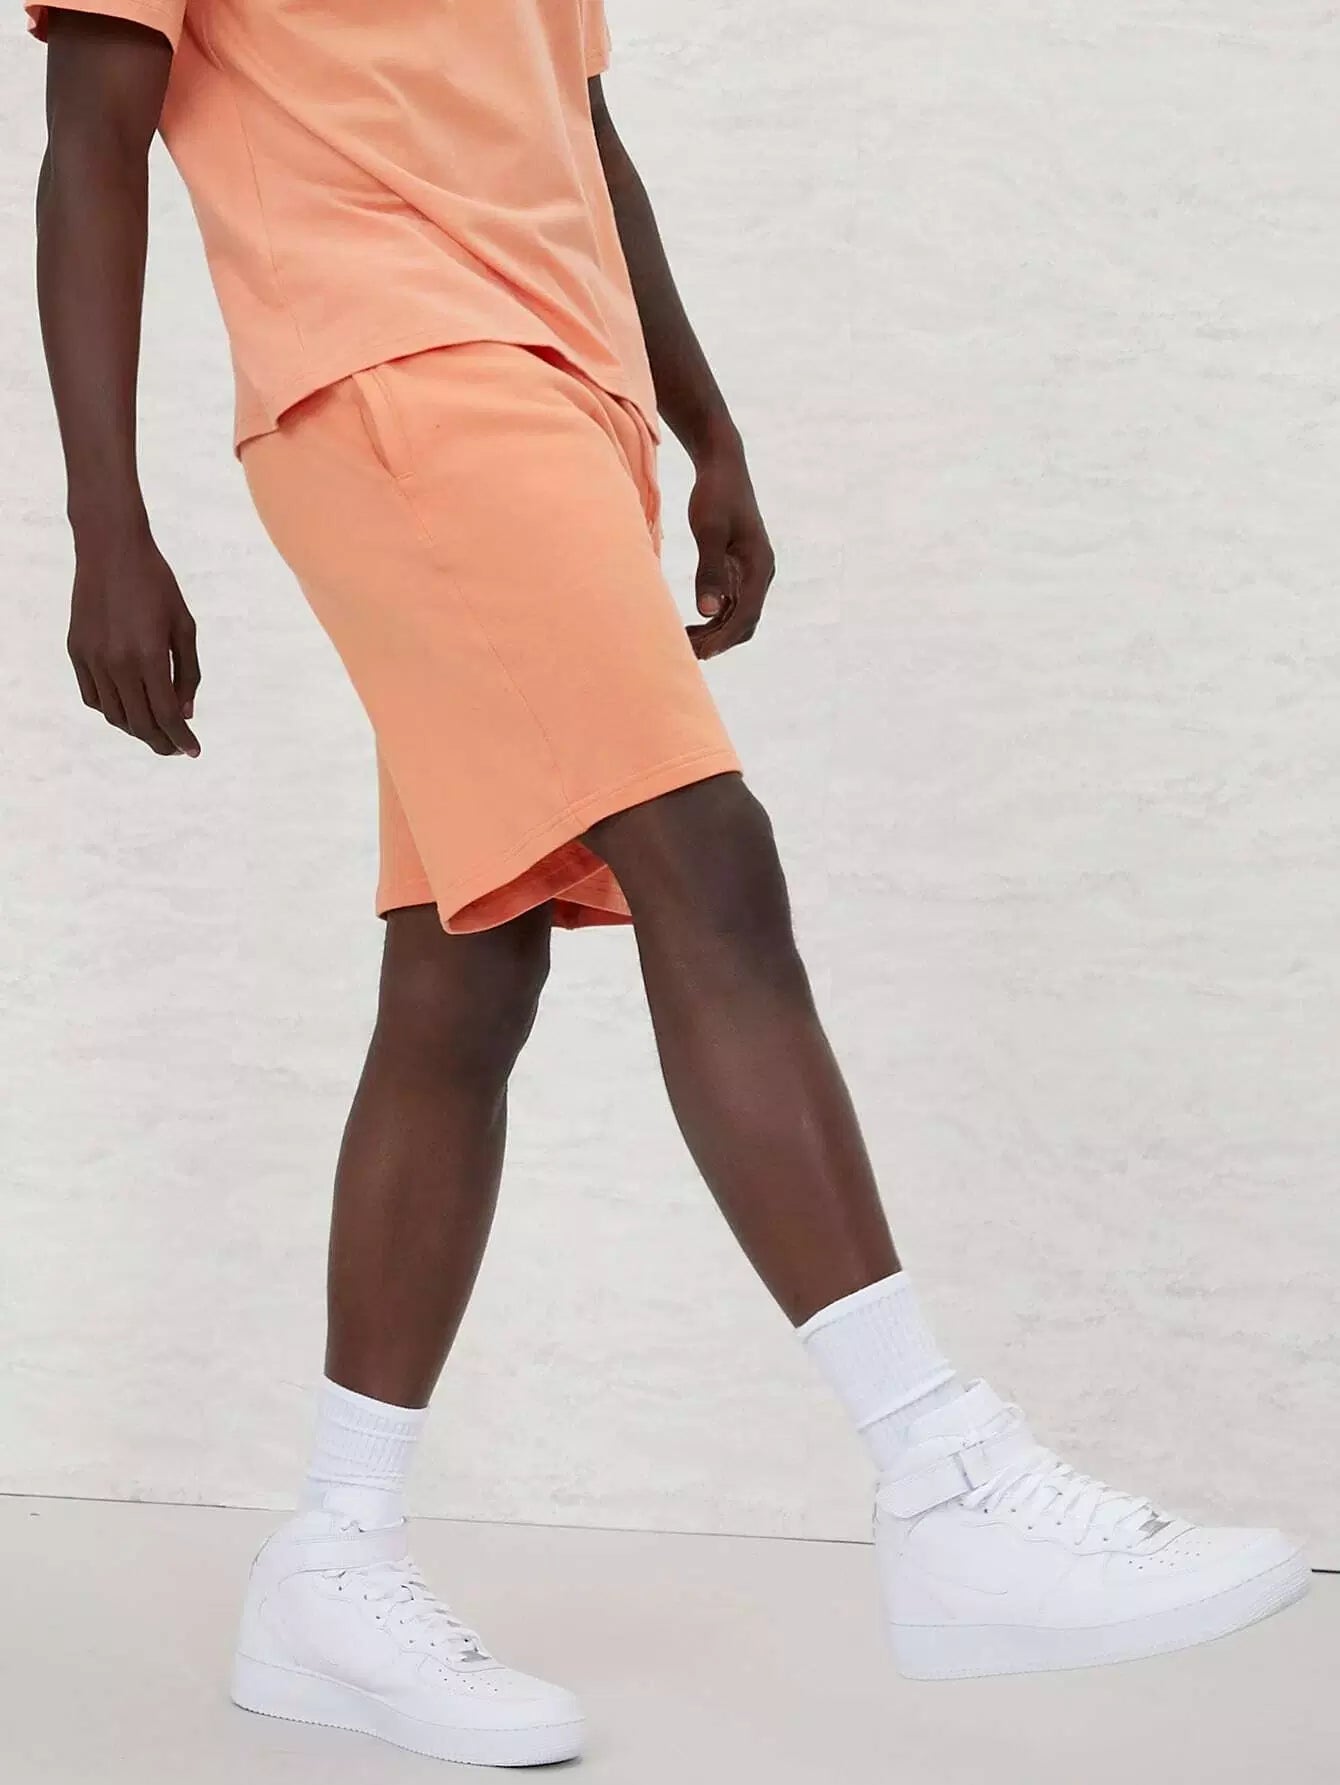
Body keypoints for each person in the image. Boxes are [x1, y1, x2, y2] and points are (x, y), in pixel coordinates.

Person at [28, 0, 1308, 1769]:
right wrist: (103, 519)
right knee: (711, 856)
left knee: (468, 967)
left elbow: (583, 133)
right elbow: (92, 138)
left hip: (570, 401)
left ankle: (333, 1554)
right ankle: (941, 1471)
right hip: (387, 371)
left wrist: (708, 426)